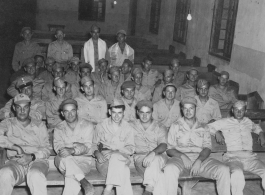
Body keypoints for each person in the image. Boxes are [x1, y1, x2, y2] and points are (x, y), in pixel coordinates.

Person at [164, 97, 231, 195]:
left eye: (191, 108)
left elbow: (207, 148)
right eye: (185, 108)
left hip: (201, 159)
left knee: (224, 170)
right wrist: (183, 156)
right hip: (180, 159)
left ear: (196, 109)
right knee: (169, 168)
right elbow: (169, 149)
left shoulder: (204, 127)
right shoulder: (175, 126)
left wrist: (199, 160)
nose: (188, 111)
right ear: (182, 110)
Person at [209, 100, 265, 195]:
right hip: (233, 158)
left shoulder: (248, 121)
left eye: (241, 110)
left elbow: (256, 127)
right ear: (232, 110)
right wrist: (217, 132)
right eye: (236, 110)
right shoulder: (225, 122)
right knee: (237, 174)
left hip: (250, 158)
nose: (239, 112)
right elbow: (208, 127)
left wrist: (261, 133)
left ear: (245, 111)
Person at [0, 93, 50, 195]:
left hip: (37, 161)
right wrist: (16, 147)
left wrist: (32, 156)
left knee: (35, 175)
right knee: (4, 173)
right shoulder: (7, 123)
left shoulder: (39, 125)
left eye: (25, 107)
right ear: (14, 108)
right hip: (15, 162)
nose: (22, 111)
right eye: (19, 107)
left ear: (30, 107)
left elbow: (46, 150)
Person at [93, 98, 135, 195]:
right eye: (114, 112)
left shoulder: (128, 127)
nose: (116, 116)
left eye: (119, 113)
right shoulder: (101, 125)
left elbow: (131, 148)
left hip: (122, 158)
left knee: (116, 157)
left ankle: (107, 191)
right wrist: (97, 153)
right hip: (104, 161)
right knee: (124, 171)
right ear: (109, 112)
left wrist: (116, 152)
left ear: (123, 113)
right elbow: (93, 144)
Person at [54, 99, 95, 195]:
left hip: (83, 161)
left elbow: (88, 147)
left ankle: (81, 180)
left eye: (72, 110)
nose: (70, 114)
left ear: (77, 111)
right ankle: (85, 183)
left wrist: (72, 150)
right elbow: (58, 147)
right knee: (66, 157)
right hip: (63, 160)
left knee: (71, 178)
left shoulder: (88, 125)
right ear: (62, 113)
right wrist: (77, 147)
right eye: (66, 111)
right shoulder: (58, 128)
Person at [130, 100, 167, 195]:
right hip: (141, 160)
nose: (145, 116)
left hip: (159, 157)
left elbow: (163, 145)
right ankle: (149, 188)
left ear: (152, 112)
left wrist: (153, 153)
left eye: (148, 112)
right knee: (160, 176)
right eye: (142, 112)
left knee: (156, 159)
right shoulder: (131, 126)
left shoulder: (160, 126)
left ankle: (148, 190)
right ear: (137, 113)